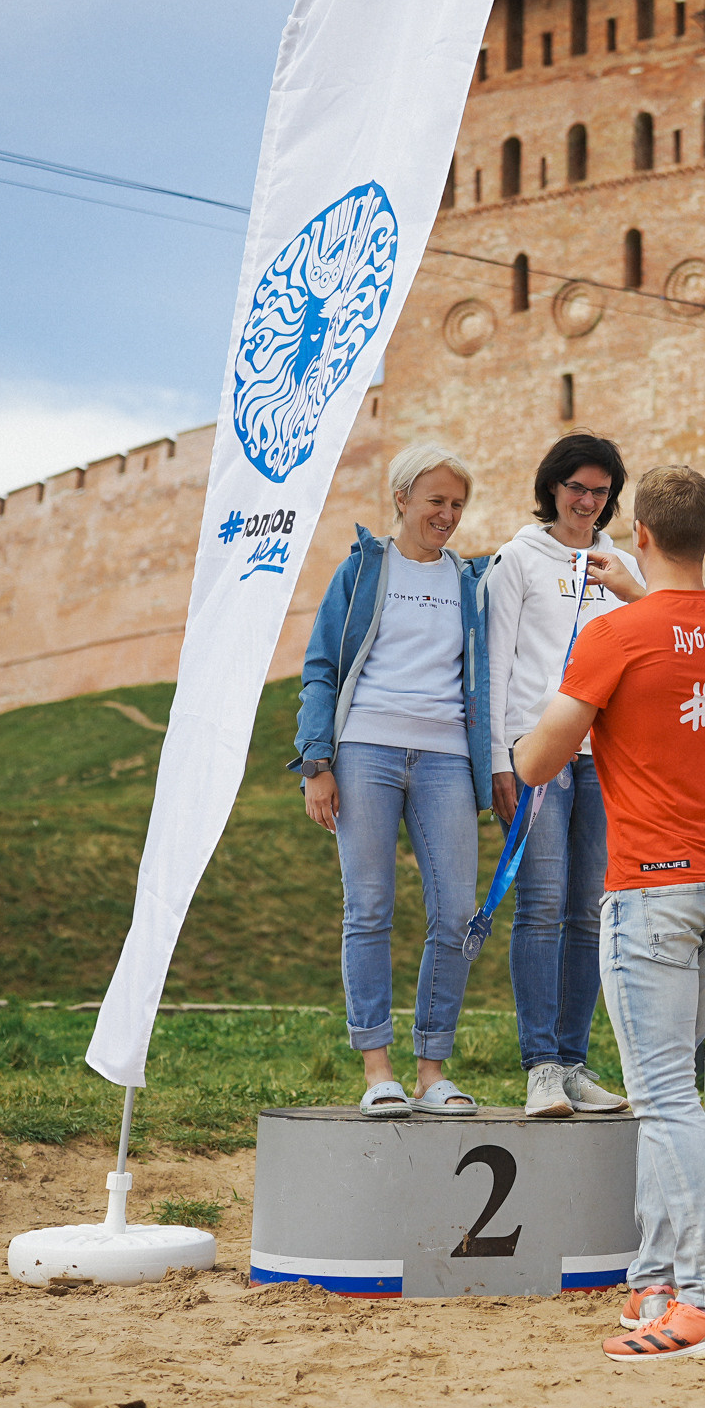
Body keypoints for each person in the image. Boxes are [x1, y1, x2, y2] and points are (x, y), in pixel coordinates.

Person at [513, 465, 705, 1363]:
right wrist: (641, 593)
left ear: (640, 536)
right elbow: (680, 644)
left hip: (654, 889)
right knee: (672, 1093)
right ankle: (657, 1281)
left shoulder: (617, 634)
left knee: (662, 1101)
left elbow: (541, 761)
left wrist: (514, 733)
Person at [293, 442, 492, 1121]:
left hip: (445, 759)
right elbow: (321, 666)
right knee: (369, 908)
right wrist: (316, 763)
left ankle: (433, 1069)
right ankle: (378, 1068)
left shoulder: (471, 581)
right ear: (402, 498)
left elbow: (485, 679)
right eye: (436, 500)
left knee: (456, 914)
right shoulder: (362, 569)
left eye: (458, 504)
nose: (448, 514)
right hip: (365, 749)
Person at [488, 434, 641, 1119]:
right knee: (542, 907)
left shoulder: (623, 566)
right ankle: (540, 1067)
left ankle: (575, 1064)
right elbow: (494, 663)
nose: (587, 502)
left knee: (589, 915)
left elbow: (656, 648)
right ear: (552, 487)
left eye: (601, 492)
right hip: (537, 752)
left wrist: (631, 590)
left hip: (604, 759)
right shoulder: (516, 559)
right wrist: (497, 759)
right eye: (576, 488)